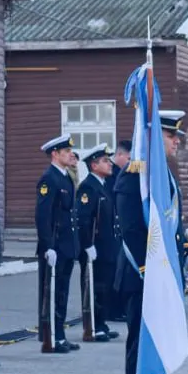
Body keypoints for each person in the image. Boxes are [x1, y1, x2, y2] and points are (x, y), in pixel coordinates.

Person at [113, 110, 188, 374]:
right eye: (170, 135)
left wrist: (187, 253)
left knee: (159, 350)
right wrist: (154, 274)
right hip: (142, 278)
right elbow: (132, 231)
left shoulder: (163, 175)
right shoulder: (133, 177)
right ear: (151, 137)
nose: (177, 140)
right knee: (141, 351)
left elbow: (173, 223)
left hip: (163, 278)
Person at [35, 135, 81, 353]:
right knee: (51, 293)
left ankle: (59, 335)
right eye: (65, 151)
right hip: (54, 247)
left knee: (62, 293)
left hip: (66, 246)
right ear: (55, 153)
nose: (70, 154)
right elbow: (43, 216)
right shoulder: (49, 179)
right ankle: (50, 337)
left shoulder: (65, 178)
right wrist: (48, 245)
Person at [75, 144, 119, 342]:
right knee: (95, 288)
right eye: (105, 161)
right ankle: (93, 326)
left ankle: (102, 323)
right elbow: (83, 220)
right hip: (95, 247)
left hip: (108, 247)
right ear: (93, 165)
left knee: (105, 288)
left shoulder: (102, 186)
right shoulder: (88, 188)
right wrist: (87, 245)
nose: (110, 164)